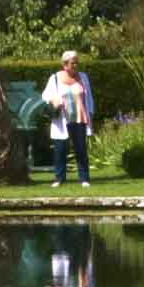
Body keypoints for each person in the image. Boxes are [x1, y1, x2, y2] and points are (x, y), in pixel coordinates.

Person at [41, 51, 94, 188]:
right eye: (72, 63)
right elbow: (45, 95)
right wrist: (54, 99)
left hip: (79, 118)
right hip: (62, 119)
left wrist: (90, 113)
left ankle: (84, 178)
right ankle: (59, 178)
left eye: (77, 62)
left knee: (81, 149)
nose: (75, 65)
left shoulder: (83, 77)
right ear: (65, 65)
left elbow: (88, 97)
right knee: (60, 149)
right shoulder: (55, 78)